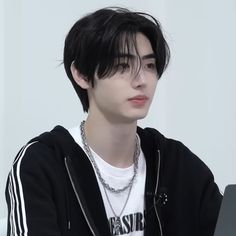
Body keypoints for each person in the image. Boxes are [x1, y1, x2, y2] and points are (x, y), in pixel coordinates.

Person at [5, 7, 222, 236]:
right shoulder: (42, 164)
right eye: (122, 66)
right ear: (82, 74)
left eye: (149, 65)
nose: (141, 80)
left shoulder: (174, 162)